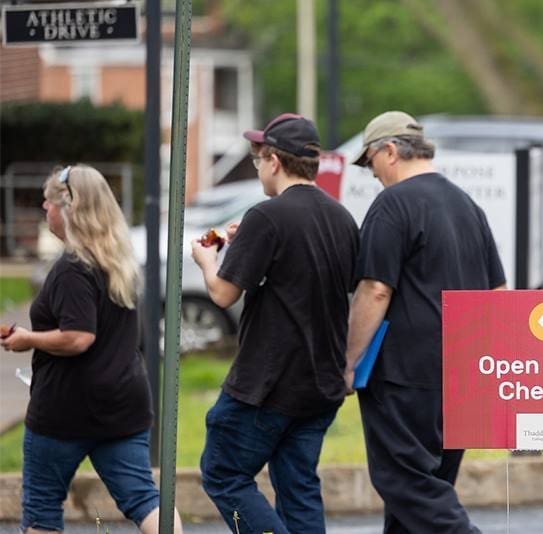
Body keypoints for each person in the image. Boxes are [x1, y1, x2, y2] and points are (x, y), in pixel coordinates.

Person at [192, 113, 359, 534]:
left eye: (257, 159)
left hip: (266, 385)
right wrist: (245, 241)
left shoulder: (266, 216)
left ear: (273, 161)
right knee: (298, 488)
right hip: (321, 383)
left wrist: (208, 260)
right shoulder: (342, 219)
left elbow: (223, 294)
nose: (258, 168)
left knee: (224, 475)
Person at [345, 111, 505, 533]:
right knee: (424, 493)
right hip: (465, 372)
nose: (372, 174)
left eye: (371, 163)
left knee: (406, 482)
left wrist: (348, 362)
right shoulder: (467, 205)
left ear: (390, 151)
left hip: (406, 373)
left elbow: (375, 290)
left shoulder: (393, 205)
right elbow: (499, 295)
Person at [1, 165, 182, 534]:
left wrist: (27, 339)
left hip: (66, 410)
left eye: (49, 201)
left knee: (41, 508)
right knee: (146, 500)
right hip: (122, 406)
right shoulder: (119, 261)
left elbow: (79, 337)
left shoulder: (73, 268)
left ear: (68, 209)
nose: (43, 207)